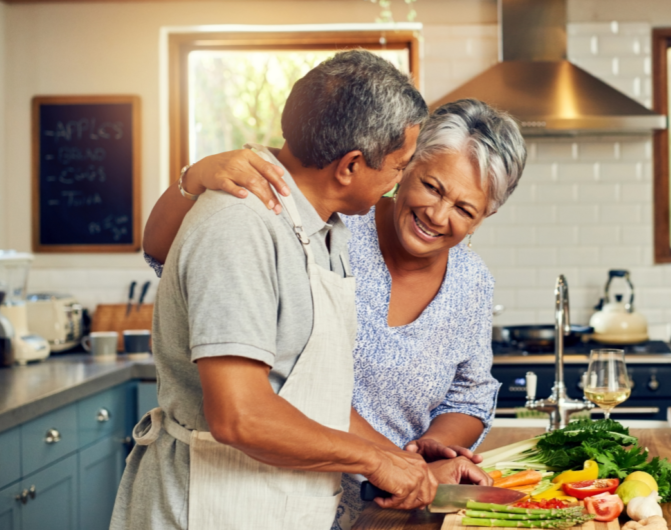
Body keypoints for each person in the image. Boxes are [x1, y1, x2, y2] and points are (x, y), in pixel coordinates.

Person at [142, 98, 528, 529]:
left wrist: (423, 455)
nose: (437, 216)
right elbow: (166, 252)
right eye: (433, 188)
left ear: (485, 215)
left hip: (392, 502)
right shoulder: (334, 223)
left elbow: (469, 395)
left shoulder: (471, 281)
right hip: (272, 488)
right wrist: (193, 179)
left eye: (464, 209)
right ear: (405, 166)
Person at [111, 50, 436, 530]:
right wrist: (373, 462)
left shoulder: (325, 228)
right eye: (398, 167)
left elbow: (310, 398)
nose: (399, 181)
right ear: (349, 166)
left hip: (275, 506)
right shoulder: (240, 226)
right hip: (207, 510)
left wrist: (406, 465)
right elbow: (240, 416)